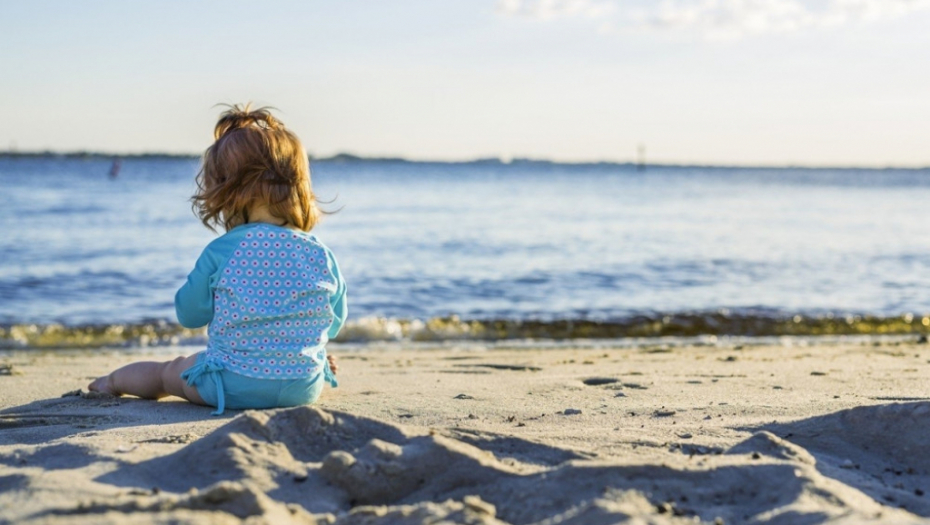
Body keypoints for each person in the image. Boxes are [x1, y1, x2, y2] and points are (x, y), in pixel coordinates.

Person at [89, 104, 346, 415]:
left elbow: (189, 315)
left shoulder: (223, 250)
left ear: (225, 191)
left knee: (170, 371)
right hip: (304, 386)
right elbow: (333, 323)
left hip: (230, 385)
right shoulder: (320, 253)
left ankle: (112, 382)